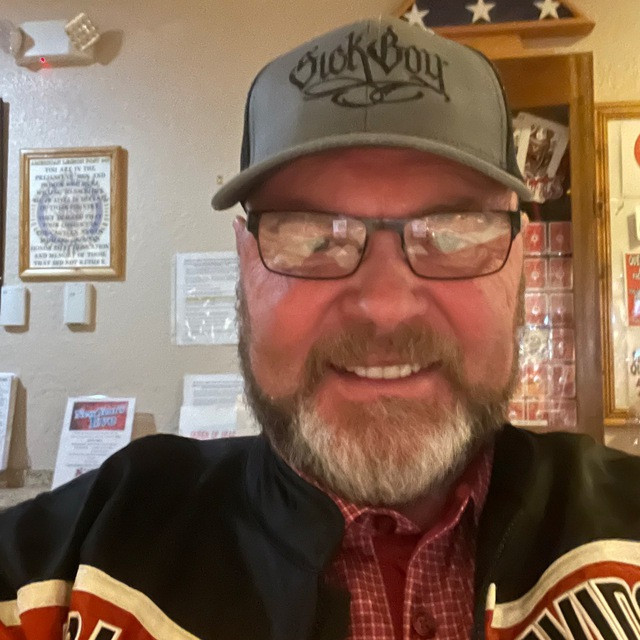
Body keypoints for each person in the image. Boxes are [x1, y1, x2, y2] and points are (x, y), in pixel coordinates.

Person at [2, 17, 640, 640]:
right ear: (245, 264)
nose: (385, 307)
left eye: (451, 233)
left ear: (520, 261)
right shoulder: (79, 569)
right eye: (312, 237)